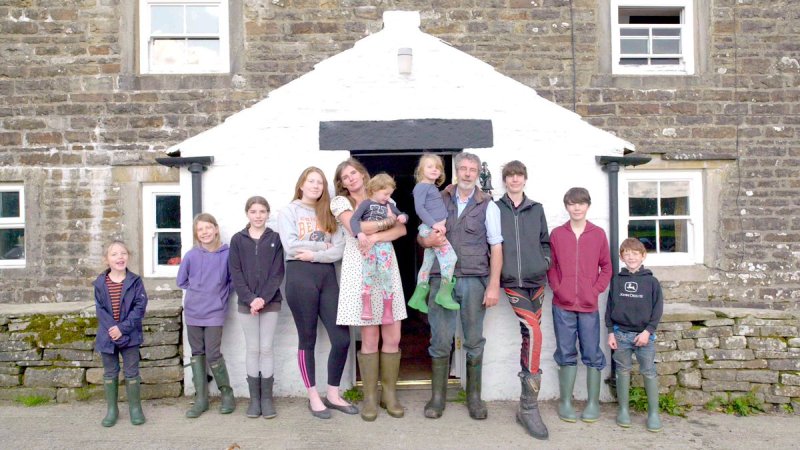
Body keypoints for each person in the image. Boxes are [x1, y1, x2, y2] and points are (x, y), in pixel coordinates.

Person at [418, 152, 503, 421]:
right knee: (440, 339)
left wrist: (493, 285)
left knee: (474, 340)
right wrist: (426, 241)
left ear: (478, 173)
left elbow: (496, 245)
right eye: (463, 169)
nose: (467, 173)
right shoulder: (437, 197)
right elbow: (422, 237)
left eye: (472, 169)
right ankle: (438, 397)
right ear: (456, 171)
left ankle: (474, 398)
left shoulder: (488, 204)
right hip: (440, 277)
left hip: (475, 279)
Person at [332, 158, 407, 421]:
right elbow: (356, 227)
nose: (351, 178)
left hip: (386, 270)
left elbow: (402, 229)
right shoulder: (341, 203)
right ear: (341, 184)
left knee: (393, 334)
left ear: (362, 174)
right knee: (370, 336)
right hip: (361, 270)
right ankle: (371, 399)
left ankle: (389, 395)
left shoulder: (382, 195)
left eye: (353, 173)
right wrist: (384, 226)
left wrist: (375, 236)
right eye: (345, 177)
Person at [278, 167, 356, 419]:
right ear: (301, 184)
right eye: (311, 181)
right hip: (300, 277)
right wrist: (321, 245)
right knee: (307, 339)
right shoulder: (289, 211)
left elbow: (340, 248)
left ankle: (333, 394)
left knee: (342, 338)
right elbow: (290, 246)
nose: (315, 186)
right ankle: (313, 395)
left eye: (320, 183)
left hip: (326, 275)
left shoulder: (328, 212)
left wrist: (316, 254)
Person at [547, 187, 612, 423]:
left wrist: (594, 291)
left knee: (592, 353)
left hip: (588, 306)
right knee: (565, 352)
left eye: (581, 203)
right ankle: (565, 402)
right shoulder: (557, 234)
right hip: (562, 305)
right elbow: (551, 266)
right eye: (572, 204)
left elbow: (607, 267)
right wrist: (558, 287)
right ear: (566, 206)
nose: (577, 208)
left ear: (587, 206)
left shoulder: (598, 234)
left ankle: (593, 403)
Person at [495, 160, 550, 440]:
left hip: (536, 281)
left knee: (529, 338)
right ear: (505, 180)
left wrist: (544, 262)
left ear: (525, 179)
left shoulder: (536, 208)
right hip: (511, 283)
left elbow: (545, 242)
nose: (515, 179)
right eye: (510, 176)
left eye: (519, 175)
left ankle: (524, 407)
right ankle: (530, 407)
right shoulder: (495, 208)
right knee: (534, 331)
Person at [229, 197, 284, 419]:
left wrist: (263, 299)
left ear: (268, 214)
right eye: (254, 211)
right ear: (247, 214)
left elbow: (278, 272)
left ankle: (267, 400)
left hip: (271, 302)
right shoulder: (237, 240)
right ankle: (254, 401)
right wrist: (251, 299)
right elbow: (236, 272)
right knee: (253, 349)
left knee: (266, 348)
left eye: (262, 211)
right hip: (246, 303)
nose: (258, 215)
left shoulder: (275, 239)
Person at [177, 213, 235, 418]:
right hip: (193, 312)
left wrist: (219, 297)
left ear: (216, 228)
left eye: (208, 228)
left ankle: (227, 393)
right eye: (200, 230)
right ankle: (201, 398)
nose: (205, 232)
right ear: (196, 234)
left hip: (215, 312)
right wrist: (198, 293)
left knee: (212, 353)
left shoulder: (227, 254)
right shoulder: (191, 255)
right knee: (197, 353)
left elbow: (232, 280)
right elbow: (182, 281)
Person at [606, 238, 664, 432]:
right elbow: (609, 308)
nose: (631, 257)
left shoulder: (651, 282)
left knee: (648, 371)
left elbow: (657, 310)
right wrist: (610, 332)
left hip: (644, 336)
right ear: (622, 257)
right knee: (622, 371)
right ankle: (623, 410)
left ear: (643, 256)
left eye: (635, 253)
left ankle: (653, 413)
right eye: (626, 253)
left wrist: (648, 331)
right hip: (621, 335)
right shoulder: (616, 280)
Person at [93, 240, 148, 427]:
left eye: (123, 253)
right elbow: (100, 309)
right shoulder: (100, 282)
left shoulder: (135, 281)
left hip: (130, 335)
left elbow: (139, 308)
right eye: (114, 254)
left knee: (132, 372)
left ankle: (135, 409)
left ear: (128, 257)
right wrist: (112, 329)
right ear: (106, 259)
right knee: (110, 373)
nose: (119, 257)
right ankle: (112, 410)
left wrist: (122, 329)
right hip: (107, 336)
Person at [350, 173, 409, 324]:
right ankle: (366, 306)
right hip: (368, 243)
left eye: (390, 194)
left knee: (385, 272)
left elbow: (402, 215)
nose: (388, 197)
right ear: (375, 189)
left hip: (383, 244)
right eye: (386, 193)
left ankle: (387, 310)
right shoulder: (366, 204)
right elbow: (354, 220)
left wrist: (403, 217)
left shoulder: (389, 205)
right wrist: (359, 234)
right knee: (368, 271)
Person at [408, 154, 459, 313]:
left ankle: (417, 297)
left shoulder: (431, 187)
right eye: (429, 166)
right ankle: (443, 295)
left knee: (427, 264)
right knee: (451, 258)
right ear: (421, 170)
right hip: (432, 230)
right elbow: (420, 209)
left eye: (437, 167)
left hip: (432, 228)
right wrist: (435, 224)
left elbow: (432, 204)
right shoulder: (421, 187)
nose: (434, 169)